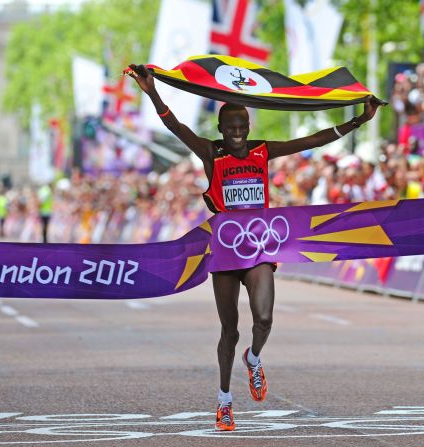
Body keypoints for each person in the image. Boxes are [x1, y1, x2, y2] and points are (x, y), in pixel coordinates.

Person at [127, 63, 381, 431]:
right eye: (231, 128)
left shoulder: (262, 151)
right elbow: (175, 127)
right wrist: (152, 91)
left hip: (259, 247)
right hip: (225, 251)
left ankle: (255, 357)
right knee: (228, 331)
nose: (238, 134)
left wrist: (359, 120)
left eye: (243, 127)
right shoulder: (211, 153)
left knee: (263, 319)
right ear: (220, 130)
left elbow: (311, 141)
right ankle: (224, 401)